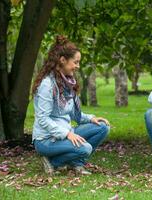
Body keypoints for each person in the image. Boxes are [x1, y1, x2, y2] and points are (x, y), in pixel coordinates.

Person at [32, 35, 110, 175]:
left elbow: (74, 114)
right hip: (46, 139)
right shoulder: (47, 85)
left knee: (102, 128)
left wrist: (91, 118)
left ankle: (75, 164)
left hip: (66, 131)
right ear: (62, 60)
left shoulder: (68, 82)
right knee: (85, 148)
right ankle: (53, 163)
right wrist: (67, 134)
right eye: (75, 62)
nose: (77, 66)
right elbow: (43, 119)